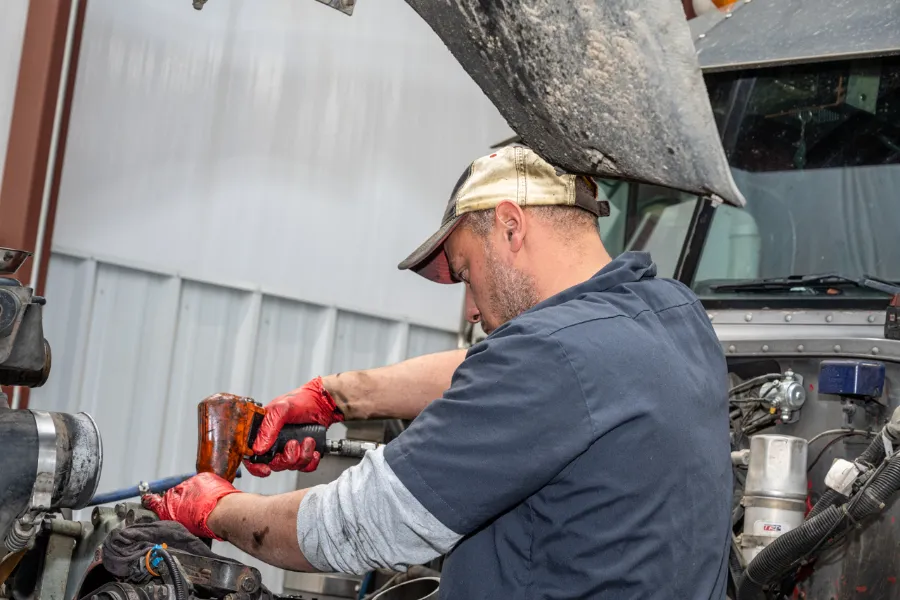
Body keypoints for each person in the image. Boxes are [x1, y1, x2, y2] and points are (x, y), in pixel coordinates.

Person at [143, 145, 733, 599]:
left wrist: (215, 507)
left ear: (510, 226)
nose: (473, 311)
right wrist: (336, 397)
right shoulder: (672, 314)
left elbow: (353, 526)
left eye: (467, 273)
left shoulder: (546, 359)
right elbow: (510, 371)